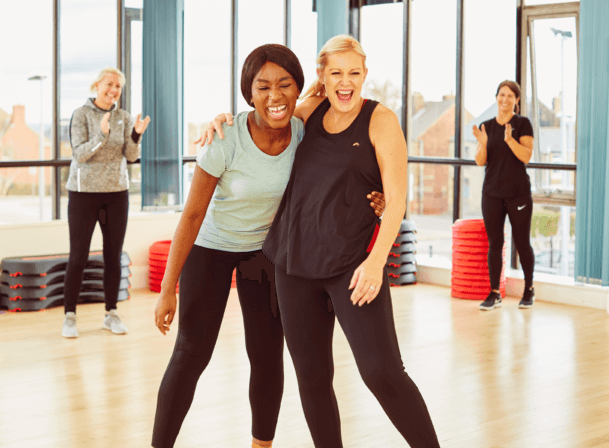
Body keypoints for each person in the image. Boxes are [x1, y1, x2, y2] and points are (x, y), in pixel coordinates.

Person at [201, 35, 439, 447]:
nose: (345, 83)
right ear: (321, 75)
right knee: (312, 379)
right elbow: (262, 116)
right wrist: (222, 120)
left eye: (354, 73)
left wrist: (376, 261)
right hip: (293, 267)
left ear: (365, 74)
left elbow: (397, 199)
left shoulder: (380, 120)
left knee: (382, 373)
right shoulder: (310, 111)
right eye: (336, 73)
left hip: (353, 267)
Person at [152, 44, 385, 448]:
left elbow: (342, 158)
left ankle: (262, 446)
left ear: (298, 90)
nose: (274, 95)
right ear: (249, 92)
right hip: (212, 248)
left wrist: (377, 198)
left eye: (284, 85)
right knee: (191, 354)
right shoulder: (225, 138)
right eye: (263, 86)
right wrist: (168, 286)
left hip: (267, 254)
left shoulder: (305, 131)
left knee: (266, 355)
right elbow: (191, 216)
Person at [61, 67, 150, 337]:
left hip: (116, 194)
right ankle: (69, 317)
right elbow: (79, 155)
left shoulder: (123, 117)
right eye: (109, 84)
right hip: (84, 194)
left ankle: (111, 313)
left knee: (113, 257)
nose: (113, 90)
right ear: (97, 85)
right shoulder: (81, 115)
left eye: (118, 87)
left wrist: (136, 134)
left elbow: (131, 156)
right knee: (78, 258)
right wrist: (102, 134)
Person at [472, 80, 535, 310]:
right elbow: (480, 161)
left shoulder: (523, 124)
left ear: (516, 100)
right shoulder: (486, 126)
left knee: (522, 243)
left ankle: (529, 289)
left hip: (518, 195)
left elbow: (526, 156)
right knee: (494, 244)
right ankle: (495, 292)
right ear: (496, 97)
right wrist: (483, 144)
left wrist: (510, 140)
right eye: (502, 95)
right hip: (492, 194)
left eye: (510, 96)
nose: (505, 99)